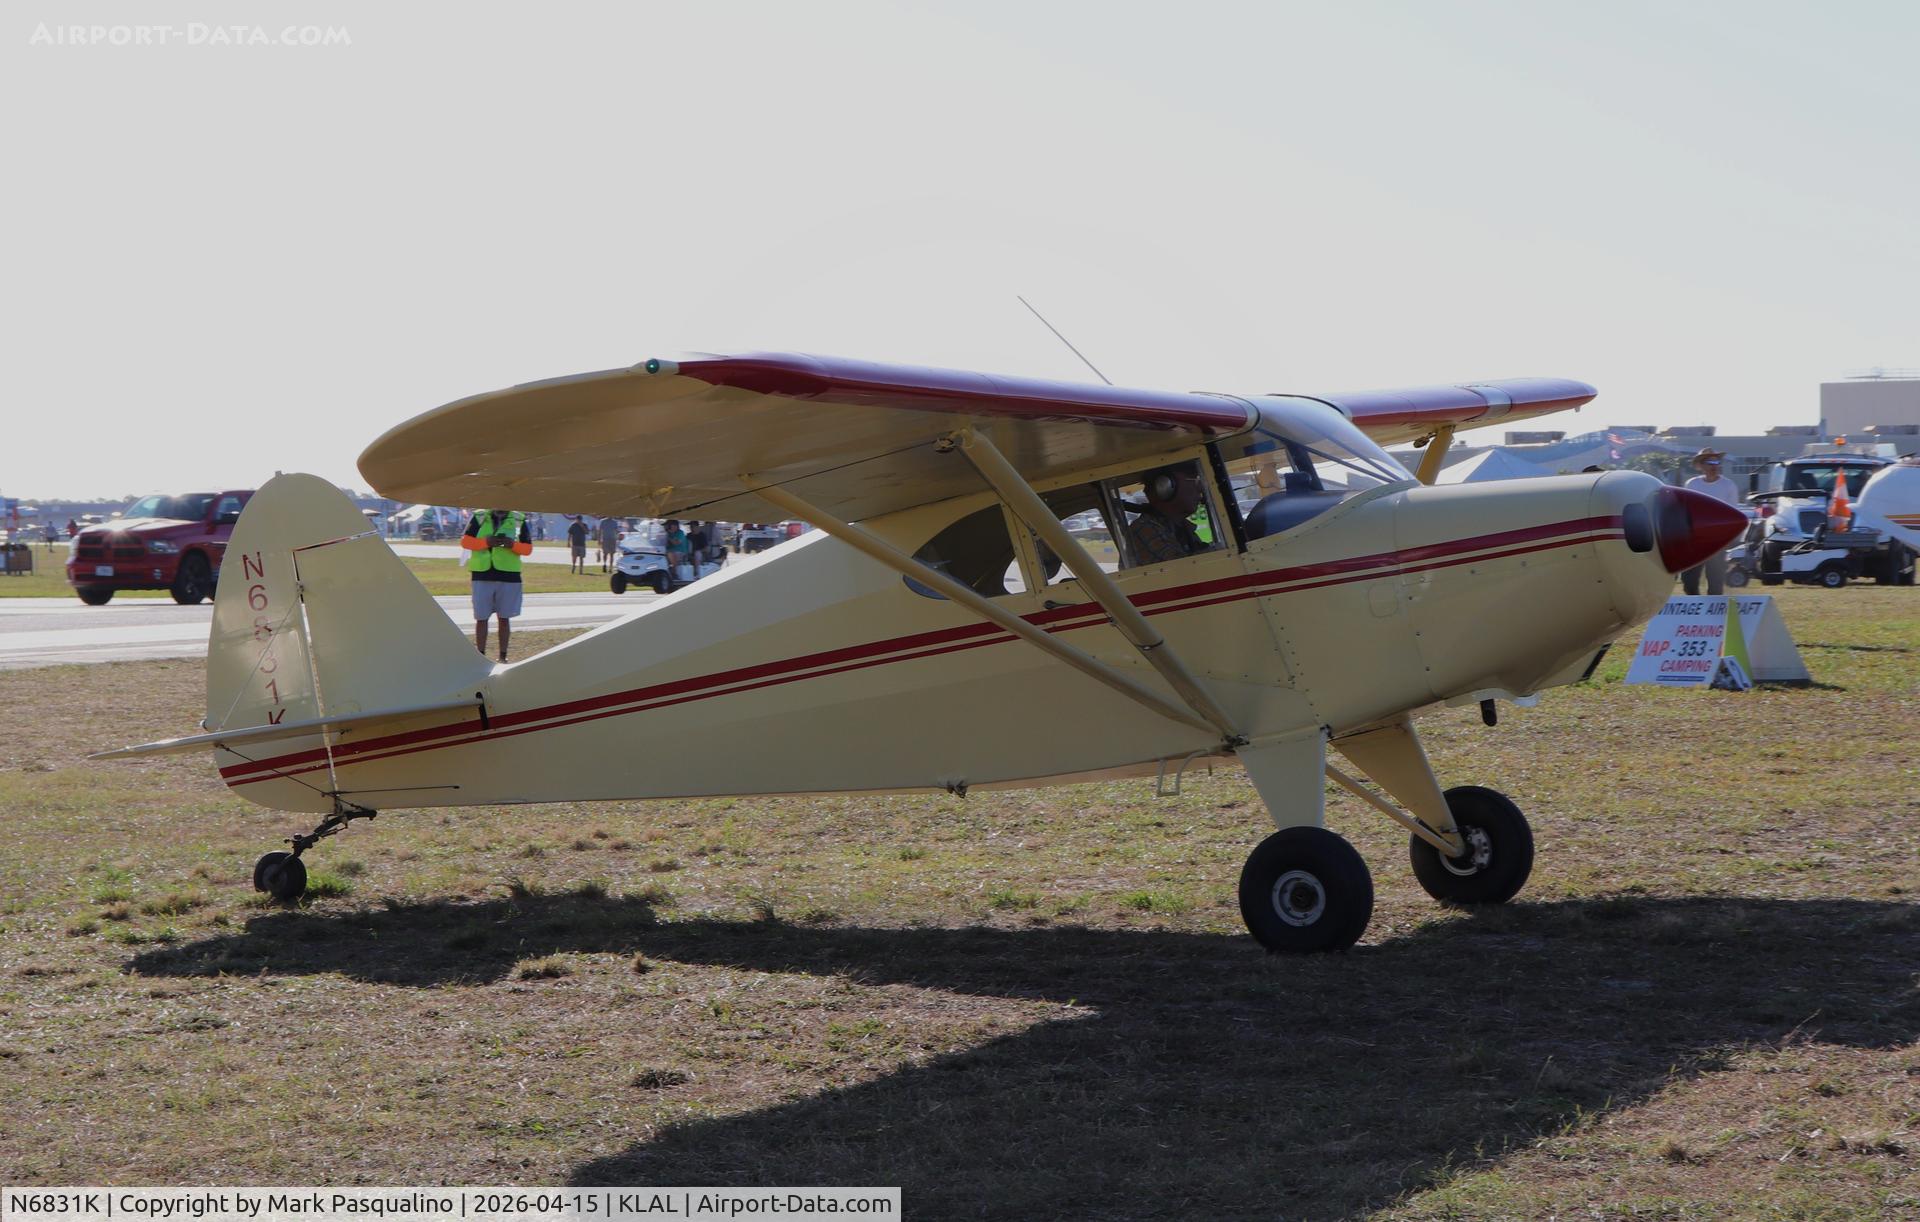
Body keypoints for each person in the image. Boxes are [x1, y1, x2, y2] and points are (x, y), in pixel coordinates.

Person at [461, 507, 533, 662]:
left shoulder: (519, 520)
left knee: (504, 618)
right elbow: (465, 542)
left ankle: (503, 656)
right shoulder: (479, 517)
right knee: (481, 618)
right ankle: (480, 655)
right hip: (482, 574)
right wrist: (486, 542)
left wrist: (512, 545)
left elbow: (527, 549)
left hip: (509, 576)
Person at [1681, 447, 1741, 596]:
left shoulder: (1728, 486)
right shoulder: (1692, 485)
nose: (1714, 465)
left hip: (1717, 541)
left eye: (1717, 461)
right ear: (1701, 466)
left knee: (1715, 582)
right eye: (1709, 462)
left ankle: (1714, 616)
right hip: (1694, 541)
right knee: (1689, 581)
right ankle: (1695, 613)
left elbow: (1733, 515)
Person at [1126, 462, 1211, 563]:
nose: (1200, 489)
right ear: (1165, 486)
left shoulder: (1183, 528)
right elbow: (1183, 568)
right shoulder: (1144, 528)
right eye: (1195, 481)